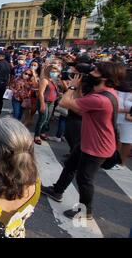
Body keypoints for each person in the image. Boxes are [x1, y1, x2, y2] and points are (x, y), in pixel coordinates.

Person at [41, 62, 126, 220]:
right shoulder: (106, 93)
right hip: (89, 141)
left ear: (105, 77)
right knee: (70, 165)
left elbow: (64, 103)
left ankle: (86, 211)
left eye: (95, 71)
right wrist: (79, 87)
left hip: (97, 147)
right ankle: (57, 191)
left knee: (84, 179)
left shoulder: (100, 99)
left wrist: (72, 87)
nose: (91, 72)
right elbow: (80, 107)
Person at [34, 65, 60, 145]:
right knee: (42, 119)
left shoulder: (54, 81)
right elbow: (40, 93)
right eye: (52, 71)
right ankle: (37, 135)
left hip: (51, 103)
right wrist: (42, 104)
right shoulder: (45, 80)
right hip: (44, 101)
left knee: (47, 119)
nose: (54, 73)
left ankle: (42, 133)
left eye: (55, 71)